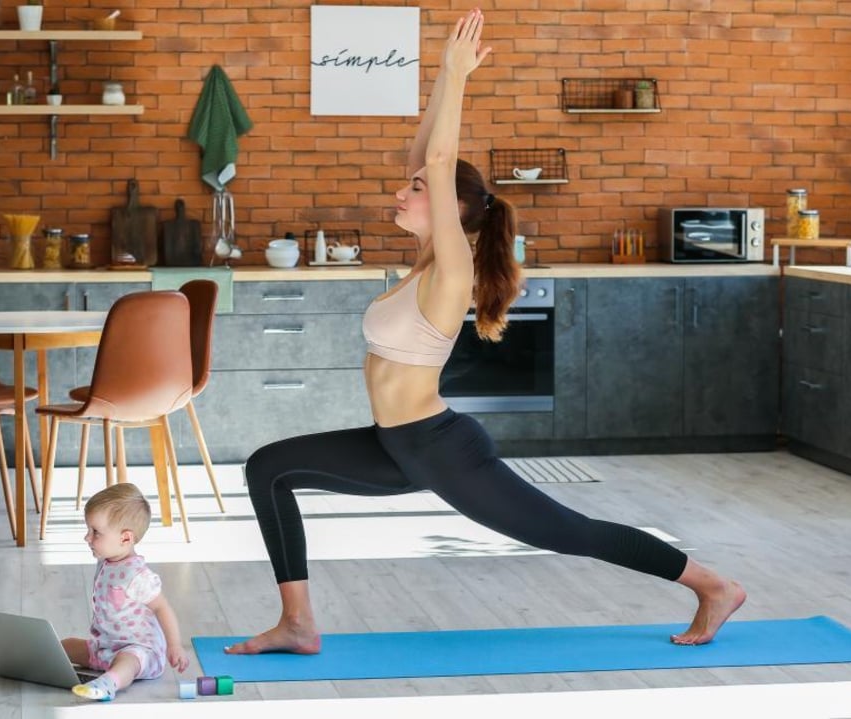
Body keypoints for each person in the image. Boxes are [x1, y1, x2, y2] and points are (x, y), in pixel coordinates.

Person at [227, 8, 745, 656]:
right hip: (397, 444)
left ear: (453, 211)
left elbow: (439, 160)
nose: (402, 189)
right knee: (268, 468)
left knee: (569, 530)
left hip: (440, 448)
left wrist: (456, 75)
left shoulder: (453, 267)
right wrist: (443, 79)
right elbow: (428, 152)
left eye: (415, 189)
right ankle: (298, 622)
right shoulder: (423, 260)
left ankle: (712, 583)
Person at [63, 483, 189, 701]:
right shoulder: (106, 561)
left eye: (96, 532)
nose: (87, 538)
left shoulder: (137, 575)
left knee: (127, 662)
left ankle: (108, 684)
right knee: (66, 646)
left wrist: (174, 645)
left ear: (125, 539)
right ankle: (19, 653)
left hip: (141, 651)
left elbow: (161, 607)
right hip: (106, 645)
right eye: (88, 530)